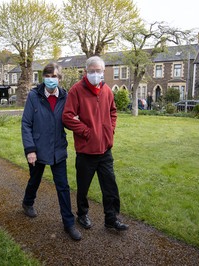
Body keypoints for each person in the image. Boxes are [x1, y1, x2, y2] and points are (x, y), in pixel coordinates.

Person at [62, 56, 129, 231]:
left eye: (99, 71)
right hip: (86, 151)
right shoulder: (76, 90)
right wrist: (87, 132)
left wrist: (110, 130)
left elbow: (113, 112)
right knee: (83, 187)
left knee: (110, 186)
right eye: (92, 71)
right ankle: (82, 214)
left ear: (103, 71)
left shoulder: (107, 90)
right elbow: (67, 117)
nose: (95, 74)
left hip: (105, 150)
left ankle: (111, 218)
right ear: (86, 71)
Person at [21, 63, 82, 241]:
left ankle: (69, 223)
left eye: (54, 76)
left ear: (59, 79)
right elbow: (26, 124)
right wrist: (30, 149)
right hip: (38, 149)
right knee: (35, 179)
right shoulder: (34, 96)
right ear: (43, 78)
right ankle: (27, 203)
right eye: (47, 75)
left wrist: (75, 122)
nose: (50, 79)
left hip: (58, 149)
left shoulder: (66, 96)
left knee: (63, 186)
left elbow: (69, 119)